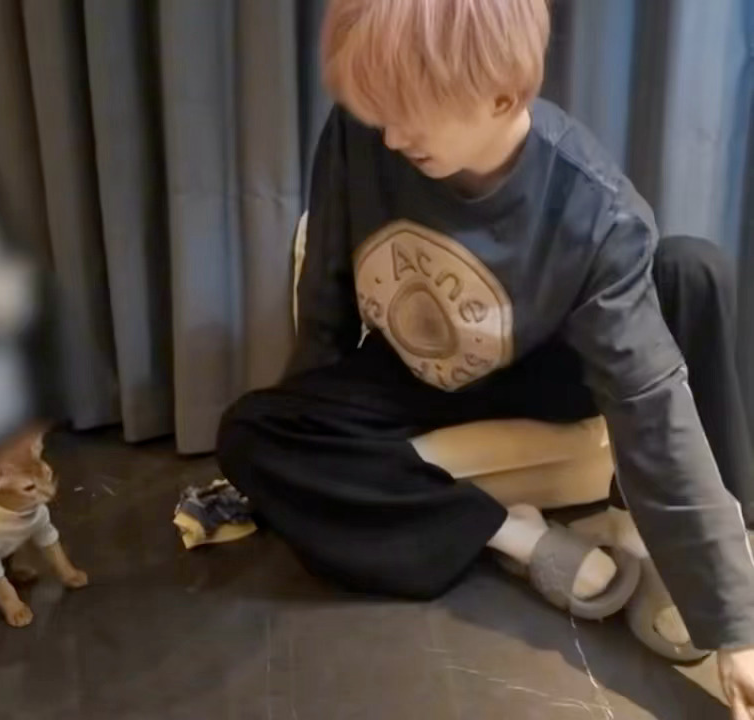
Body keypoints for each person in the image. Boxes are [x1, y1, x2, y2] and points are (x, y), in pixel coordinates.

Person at [216, 1, 754, 715]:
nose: (393, 135)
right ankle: (513, 536)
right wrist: (312, 441)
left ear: (502, 97)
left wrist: (735, 631)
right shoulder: (363, 131)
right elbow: (327, 291)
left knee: (691, 268)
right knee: (248, 431)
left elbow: (649, 404)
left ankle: (706, 553)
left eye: (412, 115)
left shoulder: (596, 211)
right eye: (380, 114)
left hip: (548, 367)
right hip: (414, 367)